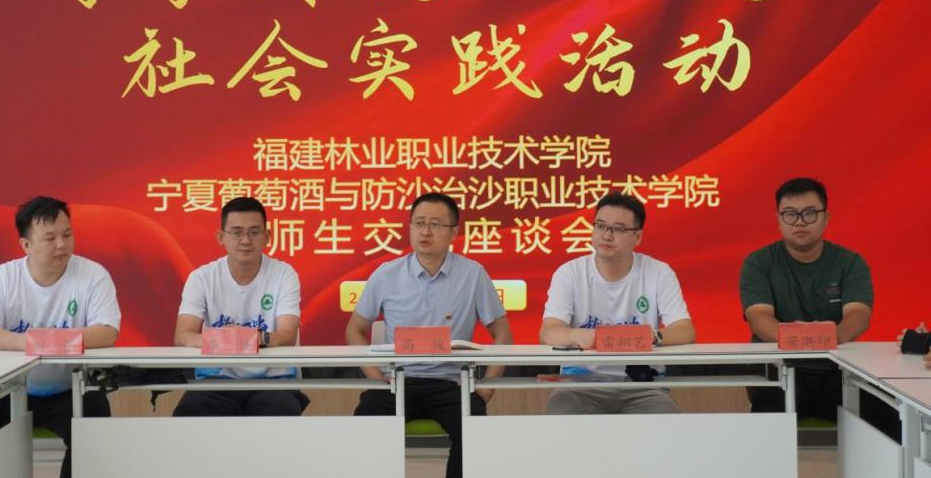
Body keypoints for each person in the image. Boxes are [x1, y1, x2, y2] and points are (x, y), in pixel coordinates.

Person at [346, 192, 512, 478]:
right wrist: (376, 377)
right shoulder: (386, 274)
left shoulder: (473, 274)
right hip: (399, 381)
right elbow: (354, 329)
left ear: (454, 232)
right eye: (419, 223)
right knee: (367, 421)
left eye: (435, 224)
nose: (425, 231)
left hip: (451, 383)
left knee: (474, 428)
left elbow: (503, 335)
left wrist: (485, 390)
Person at [0, 196, 121, 478]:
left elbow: (107, 331)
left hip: (68, 389)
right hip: (7, 389)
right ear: (26, 245)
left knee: (94, 432)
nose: (62, 245)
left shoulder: (93, 275)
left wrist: (48, 341)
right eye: (50, 238)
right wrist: (29, 342)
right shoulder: (2, 278)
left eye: (67, 235)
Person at [740, 177, 897, 436]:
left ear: (826, 218)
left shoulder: (849, 262)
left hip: (837, 369)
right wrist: (808, 336)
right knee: (765, 423)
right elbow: (759, 317)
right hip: (779, 369)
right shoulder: (759, 262)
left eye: (810, 213)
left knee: (888, 418)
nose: (800, 222)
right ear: (778, 219)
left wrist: (831, 336)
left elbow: (858, 314)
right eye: (790, 214)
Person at [540, 192, 695, 414]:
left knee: (663, 415)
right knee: (561, 409)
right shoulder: (570, 273)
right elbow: (549, 331)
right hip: (579, 386)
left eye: (618, 229)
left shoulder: (659, 273)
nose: (607, 235)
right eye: (601, 226)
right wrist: (578, 335)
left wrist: (651, 336)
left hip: (643, 387)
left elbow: (685, 330)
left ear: (637, 237)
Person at [173, 196, 308, 417]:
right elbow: (183, 336)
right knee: (189, 413)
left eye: (254, 232)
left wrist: (246, 339)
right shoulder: (202, 277)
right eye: (236, 233)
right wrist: (229, 340)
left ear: (266, 237)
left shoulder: (284, 274)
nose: (245, 240)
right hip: (217, 380)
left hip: (274, 381)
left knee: (279, 413)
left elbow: (287, 335)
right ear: (221, 237)